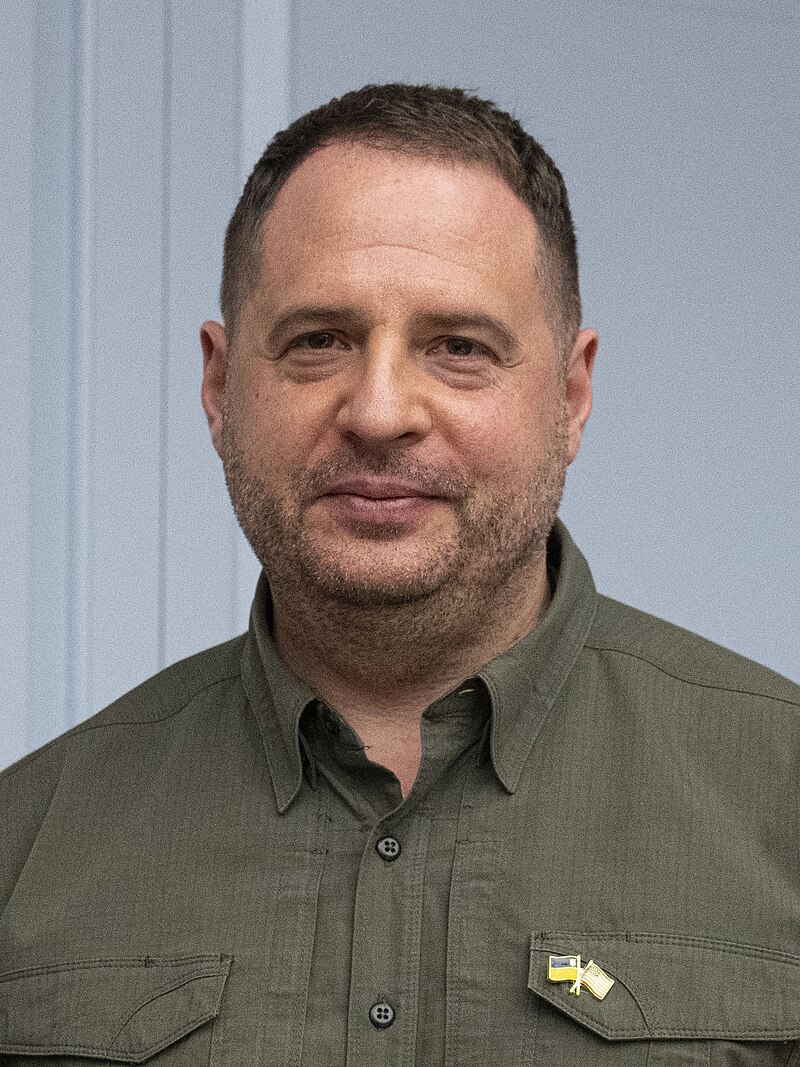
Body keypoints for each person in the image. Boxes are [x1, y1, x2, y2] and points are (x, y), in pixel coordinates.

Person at [2, 84, 799, 1065]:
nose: (379, 411)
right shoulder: (23, 849)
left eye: (458, 347)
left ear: (569, 394)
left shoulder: (783, 800)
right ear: (218, 386)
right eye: (318, 342)